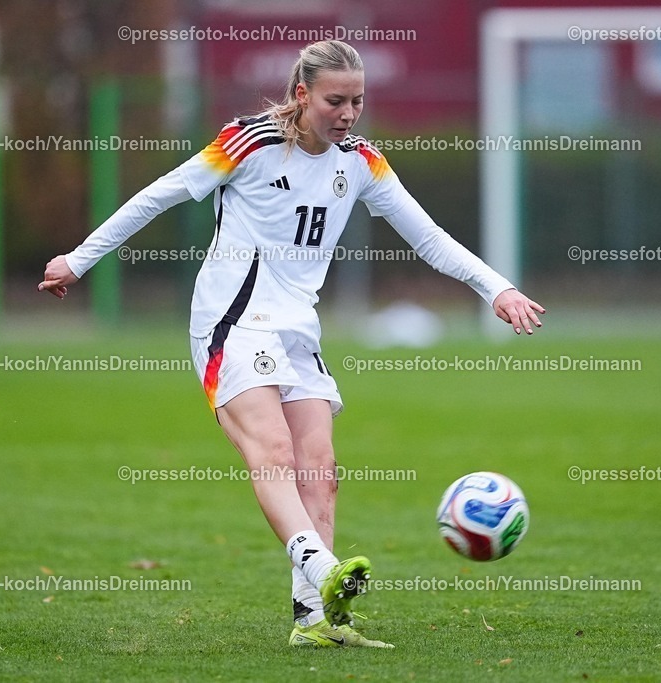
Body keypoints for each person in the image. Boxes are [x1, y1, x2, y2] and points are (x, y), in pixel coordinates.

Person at [39, 40, 544, 649]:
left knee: (320, 469)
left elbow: (429, 238)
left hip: (296, 328)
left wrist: (498, 289)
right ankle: (324, 568)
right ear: (302, 94)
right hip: (232, 318)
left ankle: (317, 621)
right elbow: (160, 193)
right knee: (273, 445)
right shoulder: (247, 142)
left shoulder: (361, 162)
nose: (349, 113)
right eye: (336, 100)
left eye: (358, 100)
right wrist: (79, 260)